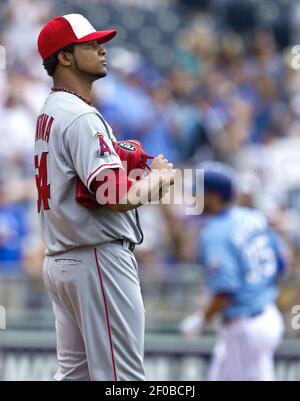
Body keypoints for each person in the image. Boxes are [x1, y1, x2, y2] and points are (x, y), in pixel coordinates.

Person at [35, 13, 175, 381]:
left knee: (76, 377)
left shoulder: (50, 111)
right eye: (91, 44)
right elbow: (114, 195)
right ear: (64, 57)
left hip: (64, 259)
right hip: (96, 258)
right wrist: (159, 180)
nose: (102, 49)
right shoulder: (80, 116)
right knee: (122, 381)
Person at [179, 162, 286, 381]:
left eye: (199, 192)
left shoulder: (215, 232)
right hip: (267, 314)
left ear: (215, 196)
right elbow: (281, 264)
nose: (194, 198)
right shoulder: (253, 217)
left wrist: (201, 320)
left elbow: (225, 290)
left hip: (245, 326)